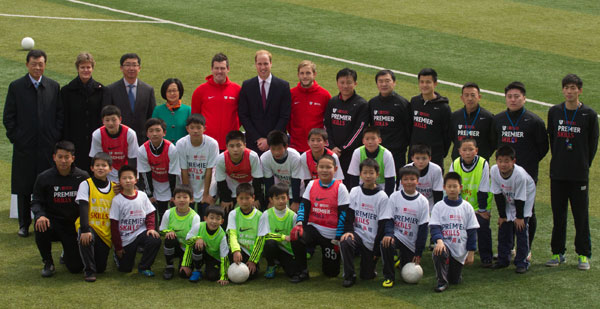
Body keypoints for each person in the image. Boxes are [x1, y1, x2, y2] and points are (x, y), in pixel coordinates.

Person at [4, 49, 63, 237]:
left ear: (45, 65)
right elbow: (8, 117)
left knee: (47, 184)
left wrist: (54, 136)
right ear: (27, 65)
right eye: (34, 64)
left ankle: (48, 222)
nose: (37, 67)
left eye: (41, 63)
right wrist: (18, 138)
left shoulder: (53, 86)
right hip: (25, 147)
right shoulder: (16, 86)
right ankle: (24, 224)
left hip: (47, 147)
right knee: (24, 186)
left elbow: (59, 115)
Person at [546, 74, 598, 270]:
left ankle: (583, 254)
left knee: (581, 215)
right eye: (566, 88)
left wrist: (583, 164)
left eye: (573, 88)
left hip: (579, 175)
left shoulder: (589, 115)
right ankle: (557, 252)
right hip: (558, 173)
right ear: (562, 90)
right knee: (558, 215)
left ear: (580, 90)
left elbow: (593, 144)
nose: (569, 91)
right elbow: (552, 138)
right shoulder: (555, 112)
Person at [492, 81, 548, 252]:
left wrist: (527, 163)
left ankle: (525, 248)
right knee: (508, 210)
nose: (513, 100)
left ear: (524, 98)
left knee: (527, 212)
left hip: (527, 174)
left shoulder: (534, 121)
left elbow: (543, 147)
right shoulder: (499, 119)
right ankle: (509, 247)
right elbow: (495, 142)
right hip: (504, 174)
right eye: (509, 97)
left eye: (517, 96)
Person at [31, 141, 89, 277]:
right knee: (40, 225)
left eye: (67, 157)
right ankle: (48, 262)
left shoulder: (82, 177)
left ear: (73, 158)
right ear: (54, 157)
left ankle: (66, 250)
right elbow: (36, 201)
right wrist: (40, 215)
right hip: (53, 223)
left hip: (73, 226)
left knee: (76, 268)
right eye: (60, 157)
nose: (63, 161)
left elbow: (91, 200)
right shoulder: (44, 177)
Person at [290, 154, 350, 283]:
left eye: (328, 167)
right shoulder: (311, 184)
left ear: (335, 169)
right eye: (321, 167)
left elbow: (343, 215)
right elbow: (303, 207)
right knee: (296, 234)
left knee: (331, 273)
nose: (324, 170)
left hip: (331, 235)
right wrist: (299, 224)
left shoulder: (341, 188)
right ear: (317, 168)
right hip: (313, 228)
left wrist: (338, 237)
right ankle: (302, 271)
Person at [340, 159, 389, 287]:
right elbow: (349, 214)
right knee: (346, 241)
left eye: (371, 173)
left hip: (371, 240)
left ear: (377, 175)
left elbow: (383, 225)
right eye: (365, 172)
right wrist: (349, 231)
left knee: (367, 276)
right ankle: (349, 276)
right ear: (360, 174)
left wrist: (376, 251)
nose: (368, 176)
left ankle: (370, 268)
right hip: (357, 234)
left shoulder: (382, 197)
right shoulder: (355, 191)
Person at [380, 166, 429, 288]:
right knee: (385, 243)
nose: (409, 182)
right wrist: (389, 234)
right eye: (405, 179)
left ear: (417, 181)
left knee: (407, 271)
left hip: (411, 243)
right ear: (401, 181)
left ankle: (401, 261)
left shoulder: (423, 201)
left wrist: (418, 252)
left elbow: (423, 229)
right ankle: (389, 277)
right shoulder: (394, 197)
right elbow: (389, 218)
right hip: (397, 236)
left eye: (412, 179)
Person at [430, 172, 479, 292]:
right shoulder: (438, 206)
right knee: (439, 251)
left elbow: (472, 231)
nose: (452, 189)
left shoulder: (467, 207)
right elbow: (435, 227)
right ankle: (441, 281)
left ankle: (453, 273)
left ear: (460, 188)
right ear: (444, 188)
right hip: (445, 245)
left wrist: (471, 252)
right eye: (449, 186)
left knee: (455, 280)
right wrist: (439, 242)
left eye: (455, 186)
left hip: (459, 251)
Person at [490, 146, 536, 273]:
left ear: (513, 161)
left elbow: (520, 198)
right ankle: (503, 259)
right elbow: (497, 194)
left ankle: (522, 262)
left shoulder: (520, 175)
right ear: (496, 161)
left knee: (521, 228)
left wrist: (520, 217)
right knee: (504, 225)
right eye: (500, 161)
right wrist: (502, 215)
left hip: (525, 197)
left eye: (506, 161)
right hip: (507, 194)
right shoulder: (494, 171)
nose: (503, 164)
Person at [110, 165, 162, 276]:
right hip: (125, 238)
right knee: (125, 269)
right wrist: (118, 247)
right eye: (124, 178)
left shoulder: (142, 196)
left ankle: (144, 267)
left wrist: (151, 228)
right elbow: (114, 225)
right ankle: (116, 254)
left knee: (154, 239)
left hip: (140, 232)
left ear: (136, 180)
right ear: (119, 181)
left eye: (130, 178)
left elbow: (150, 213)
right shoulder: (117, 200)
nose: (128, 180)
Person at [449, 138, 493, 267]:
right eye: (464, 150)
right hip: (462, 204)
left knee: (483, 227)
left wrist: (483, 210)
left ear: (476, 151)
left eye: (471, 150)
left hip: (481, 205)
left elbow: (483, 188)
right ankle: (459, 254)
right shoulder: (455, 164)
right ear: (459, 152)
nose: (468, 153)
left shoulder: (483, 163)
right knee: (459, 229)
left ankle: (486, 256)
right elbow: (452, 186)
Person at [238, 50, 291, 155]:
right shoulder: (247, 86)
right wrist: (258, 138)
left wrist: (269, 140)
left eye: (266, 64)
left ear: (271, 63)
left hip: (277, 143)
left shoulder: (283, 86)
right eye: (260, 64)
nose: (263, 67)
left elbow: (284, 116)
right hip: (254, 143)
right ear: (255, 65)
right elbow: (243, 115)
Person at [75, 152, 117, 282]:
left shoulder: (115, 188)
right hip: (90, 226)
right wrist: (85, 229)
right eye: (97, 165)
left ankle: (89, 263)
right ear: (92, 168)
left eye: (104, 165)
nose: (100, 168)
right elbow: (83, 207)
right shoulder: (86, 184)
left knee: (101, 268)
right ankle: (89, 271)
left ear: (110, 169)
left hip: (105, 232)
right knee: (86, 237)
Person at [61, 52, 106, 171]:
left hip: (95, 142)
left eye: (88, 67)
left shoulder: (101, 91)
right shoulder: (67, 91)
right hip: (74, 142)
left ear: (92, 68)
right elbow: (64, 118)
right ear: (77, 68)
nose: (86, 70)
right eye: (82, 67)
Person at [324, 68, 369, 184]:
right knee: (331, 183)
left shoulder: (361, 104)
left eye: (349, 82)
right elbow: (326, 125)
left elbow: (359, 130)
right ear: (337, 83)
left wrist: (343, 148)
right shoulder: (332, 102)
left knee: (350, 184)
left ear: (355, 84)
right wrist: (332, 147)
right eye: (342, 82)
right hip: (332, 152)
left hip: (351, 154)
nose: (345, 86)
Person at [191, 53, 241, 151]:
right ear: (212, 69)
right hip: (206, 144)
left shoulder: (237, 90)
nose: (219, 71)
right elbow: (195, 117)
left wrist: (233, 126)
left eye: (222, 68)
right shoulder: (200, 91)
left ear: (228, 69)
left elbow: (243, 114)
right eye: (216, 68)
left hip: (230, 144)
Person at [368, 69, 411, 176]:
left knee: (395, 181)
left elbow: (409, 129)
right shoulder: (372, 103)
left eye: (387, 81)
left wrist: (401, 146)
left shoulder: (402, 103)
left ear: (394, 82)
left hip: (396, 153)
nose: (384, 84)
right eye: (380, 81)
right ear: (377, 84)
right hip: (376, 151)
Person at [106, 53, 156, 145]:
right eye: (128, 65)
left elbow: (151, 116)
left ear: (139, 68)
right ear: (121, 68)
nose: (131, 68)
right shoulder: (111, 90)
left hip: (142, 140)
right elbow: (107, 116)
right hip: (119, 139)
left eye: (134, 65)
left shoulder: (148, 90)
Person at [409, 68, 452, 172]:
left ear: (435, 83)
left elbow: (447, 134)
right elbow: (409, 127)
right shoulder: (414, 102)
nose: (424, 85)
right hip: (415, 154)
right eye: (422, 82)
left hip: (434, 156)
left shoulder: (443, 108)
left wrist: (441, 152)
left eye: (428, 82)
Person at [176, 114, 219, 217]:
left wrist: (206, 195)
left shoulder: (212, 144)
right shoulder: (181, 144)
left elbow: (209, 169)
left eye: (198, 128)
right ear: (187, 129)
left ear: (204, 128)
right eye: (192, 128)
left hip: (207, 186)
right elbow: (184, 170)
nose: (195, 131)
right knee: (189, 218)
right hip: (189, 184)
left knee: (205, 217)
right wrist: (188, 194)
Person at [138, 118, 180, 224]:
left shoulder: (171, 148)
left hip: (169, 181)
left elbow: (173, 173)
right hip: (154, 181)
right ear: (147, 134)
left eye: (158, 130)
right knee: (153, 209)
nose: (154, 134)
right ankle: (155, 227)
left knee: (168, 211)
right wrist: (149, 194)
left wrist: (173, 195)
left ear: (164, 133)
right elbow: (145, 173)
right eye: (151, 131)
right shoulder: (142, 150)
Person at [288, 60, 331, 153]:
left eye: (308, 73)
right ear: (298, 75)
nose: (305, 76)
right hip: (295, 146)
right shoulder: (291, 94)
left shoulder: (324, 95)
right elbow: (287, 118)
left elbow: (328, 121)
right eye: (302, 73)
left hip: (316, 147)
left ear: (314, 74)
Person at [216, 130, 264, 213]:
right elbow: (221, 181)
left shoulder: (252, 156)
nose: (235, 149)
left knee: (258, 210)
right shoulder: (221, 159)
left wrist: (256, 198)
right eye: (231, 146)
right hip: (231, 185)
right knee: (225, 211)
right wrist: (226, 198)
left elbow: (257, 179)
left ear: (245, 145)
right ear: (226, 146)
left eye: (238, 145)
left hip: (250, 184)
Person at [181, 205, 230, 285]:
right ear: (205, 218)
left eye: (218, 219)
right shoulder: (198, 226)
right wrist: (197, 238)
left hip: (213, 258)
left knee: (212, 277)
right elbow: (187, 241)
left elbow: (224, 256)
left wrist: (224, 277)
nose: (214, 221)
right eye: (211, 218)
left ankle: (209, 268)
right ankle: (197, 270)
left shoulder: (222, 236)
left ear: (222, 221)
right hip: (201, 252)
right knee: (197, 245)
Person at [159, 184, 200, 279]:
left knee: (184, 274)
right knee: (169, 238)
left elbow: (193, 240)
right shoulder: (168, 213)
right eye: (178, 197)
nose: (181, 200)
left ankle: (187, 264)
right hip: (174, 245)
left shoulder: (195, 217)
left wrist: (185, 261)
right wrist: (168, 231)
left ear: (191, 200)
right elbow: (161, 230)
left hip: (187, 249)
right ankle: (169, 266)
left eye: (185, 197)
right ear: (173, 200)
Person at [258, 183, 298, 279]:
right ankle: (271, 264)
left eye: (283, 198)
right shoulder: (266, 214)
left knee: (293, 273)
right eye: (277, 198)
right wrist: (283, 237)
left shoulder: (293, 216)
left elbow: (296, 238)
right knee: (269, 243)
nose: (280, 201)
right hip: (272, 247)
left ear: (288, 198)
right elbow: (264, 236)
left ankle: (280, 263)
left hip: (287, 251)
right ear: (271, 200)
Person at [89, 105, 138, 183]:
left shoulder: (130, 134)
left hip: (125, 172)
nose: (110, 123)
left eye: (114, 120)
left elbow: (133, 159)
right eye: (107, 120)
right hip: (106, 172)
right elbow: (96, 159)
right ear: (103, 121)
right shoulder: (97, 134)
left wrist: (127, 179)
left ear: (120, 119)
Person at [226, 183, 263, 280]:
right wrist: (236, 250)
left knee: (252, 276)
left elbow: (260, 240)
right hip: (238, 250)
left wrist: (253, 260)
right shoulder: (233, 214)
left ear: (253, 198)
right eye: (241, 198)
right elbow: (232, 235)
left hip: (251, 253)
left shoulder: (260, 216)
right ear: (237, 198)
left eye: (247, 198)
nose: (244, 201)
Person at [450, 82, 494, 160]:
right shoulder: (455, 116)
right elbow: (452, 137)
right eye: (466, 95)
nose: (469, 98)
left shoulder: (488, 117)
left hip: (480, 162)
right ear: (462, 98)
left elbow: (493, 141)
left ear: (479, 97)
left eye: (473, 95)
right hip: (458, 161)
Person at [347, 126, 396, 196]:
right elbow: (354, 177)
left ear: (379, 140)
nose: (370, 142)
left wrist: (386, 198)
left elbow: (390, 180)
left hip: (382, 186)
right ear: (363, 141)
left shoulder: (387, 154)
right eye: (367, 139)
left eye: (373, 139)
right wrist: (355, 195)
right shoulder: (357, 152)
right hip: (363, 184)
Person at [261, 130, 302, 211]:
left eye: (279, 149)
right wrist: (271, 200)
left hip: (297, 189)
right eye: (273, 149)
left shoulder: (295, 157)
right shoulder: (264, 158)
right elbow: (268, 181)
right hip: (278, 188)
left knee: (296, 212)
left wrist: (295, 201)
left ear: (286, 146)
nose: (276, 152)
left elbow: (296, 180)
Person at [401, 144, 443, 213]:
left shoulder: (436, 170)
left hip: (430, 207)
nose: (420, 162)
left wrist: (436, 211)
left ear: (429, 158)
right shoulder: (406, 169)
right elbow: (402, 192)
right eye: (417, 158)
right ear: (412, 158)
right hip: (410, 206)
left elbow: (438, 193)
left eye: (424, 158)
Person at [152, 78, 191, 144]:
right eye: (169, 91)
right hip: (164, 150)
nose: (172, 93)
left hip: (183, 149)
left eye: (175, 90)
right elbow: (153, 131)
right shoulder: (158, 110)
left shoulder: (188, 110)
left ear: (180, 91)